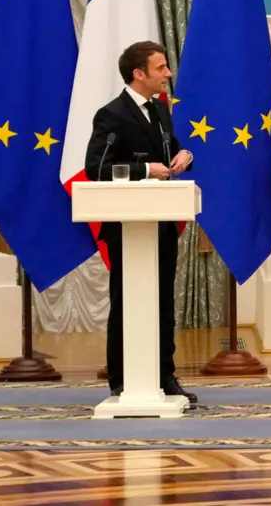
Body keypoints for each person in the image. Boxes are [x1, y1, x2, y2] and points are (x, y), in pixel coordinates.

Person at [84, 41, 197, 404]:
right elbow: (95, 168)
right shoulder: (111, 115)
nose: (168, 74)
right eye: (161, 67)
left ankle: (165, 375)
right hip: (127, 226)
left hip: (159, 221)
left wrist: (185, 155)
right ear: (139, 73)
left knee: (163, 299)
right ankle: (121, 378)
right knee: (126, 299)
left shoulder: (160, 111)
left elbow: (172, 149)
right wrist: (146, 170)